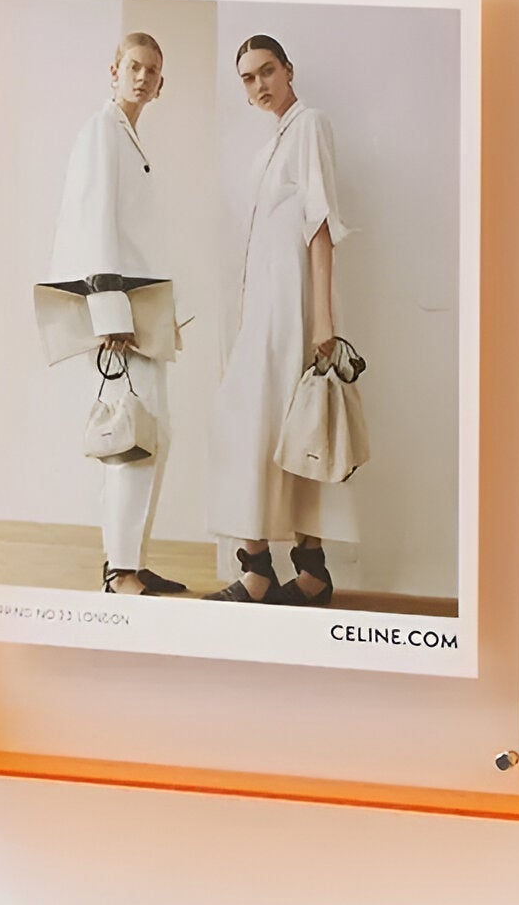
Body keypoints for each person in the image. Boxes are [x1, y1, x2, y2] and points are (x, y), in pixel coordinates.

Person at [207, 35, 356, 606]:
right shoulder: (264, 151)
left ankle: (279, 574)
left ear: (288, 69)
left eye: (266, 71)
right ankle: (284, 570)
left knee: (295, 434)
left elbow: (320, 225)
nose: (259, 84)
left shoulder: (310, 125)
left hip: (295, 311)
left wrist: (323, 319)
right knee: (262, 433)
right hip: (262, 313)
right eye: (247, 78)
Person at [46, 32, 186, 597]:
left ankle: (131, 559)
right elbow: (92, 223)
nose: (141, 77)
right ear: (113, 70)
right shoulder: (102, 131)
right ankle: (119, 571)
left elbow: (138, 235)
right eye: (133, 66)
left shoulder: (128, 137)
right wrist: (110, 317)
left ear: (160, 83)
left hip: (141, 304)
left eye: (152, 70)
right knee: (131, 434)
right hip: (119, 312)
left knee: (151, 433)